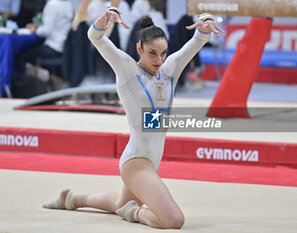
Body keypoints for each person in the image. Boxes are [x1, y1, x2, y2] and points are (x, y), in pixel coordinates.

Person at [42, 7, 223, 229]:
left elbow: (195, 42)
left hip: (150, 161)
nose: (159, 59)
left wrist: (205, 23)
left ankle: (71, 199)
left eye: (163, 53)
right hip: (136, 162)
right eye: (152, 53)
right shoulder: (128, 70)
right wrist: (105, 18)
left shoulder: (169, 72)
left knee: (121, 202)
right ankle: (134, 213)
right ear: (139, 48)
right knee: (174, 220)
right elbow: (96, 38)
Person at [15, 0, 73, 76]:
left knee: (20, 58)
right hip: (64, 46)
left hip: (53, 46)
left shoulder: (52, 4)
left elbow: (46, 31)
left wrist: (35, 30)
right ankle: (50, 79)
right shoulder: (68, 4)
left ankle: (29, 84)